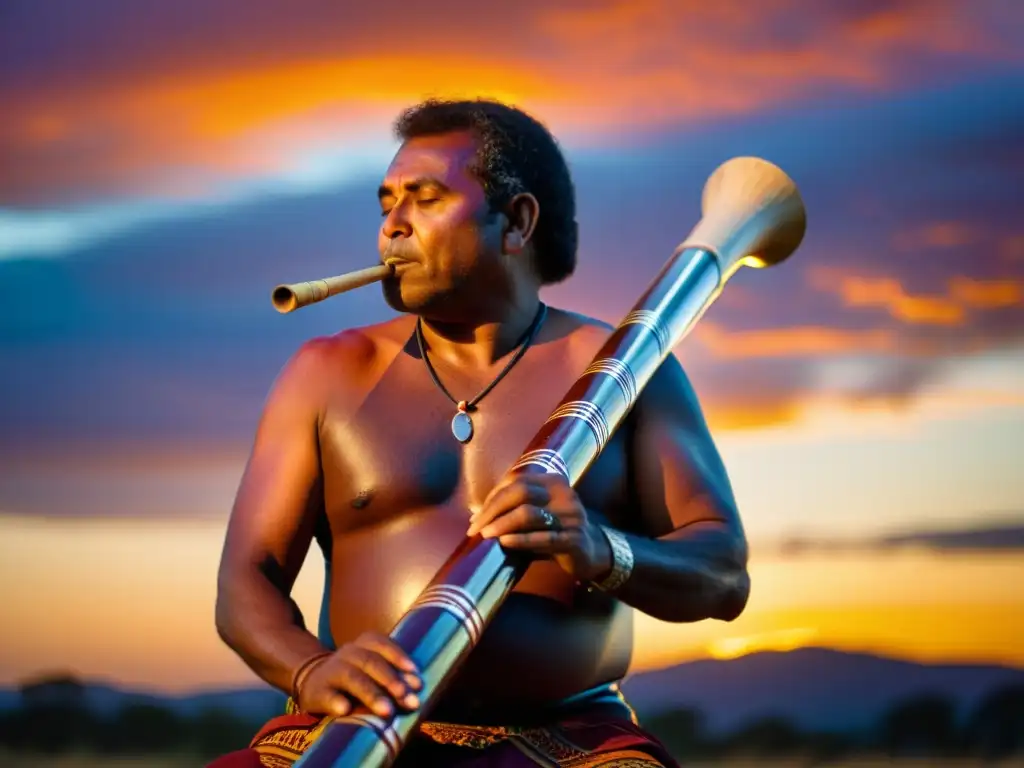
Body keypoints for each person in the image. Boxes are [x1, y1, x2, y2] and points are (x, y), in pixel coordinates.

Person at [208, 98, 750, 767]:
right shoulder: (325, 374)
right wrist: (310, 672)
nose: (392, 228)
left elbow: (724, 574)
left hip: (570, 745)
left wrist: (599, 548)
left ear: (516, 222)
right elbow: (244, 584)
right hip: (349, 733)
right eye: (386, 205)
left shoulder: (625, 368)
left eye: (425, 199)